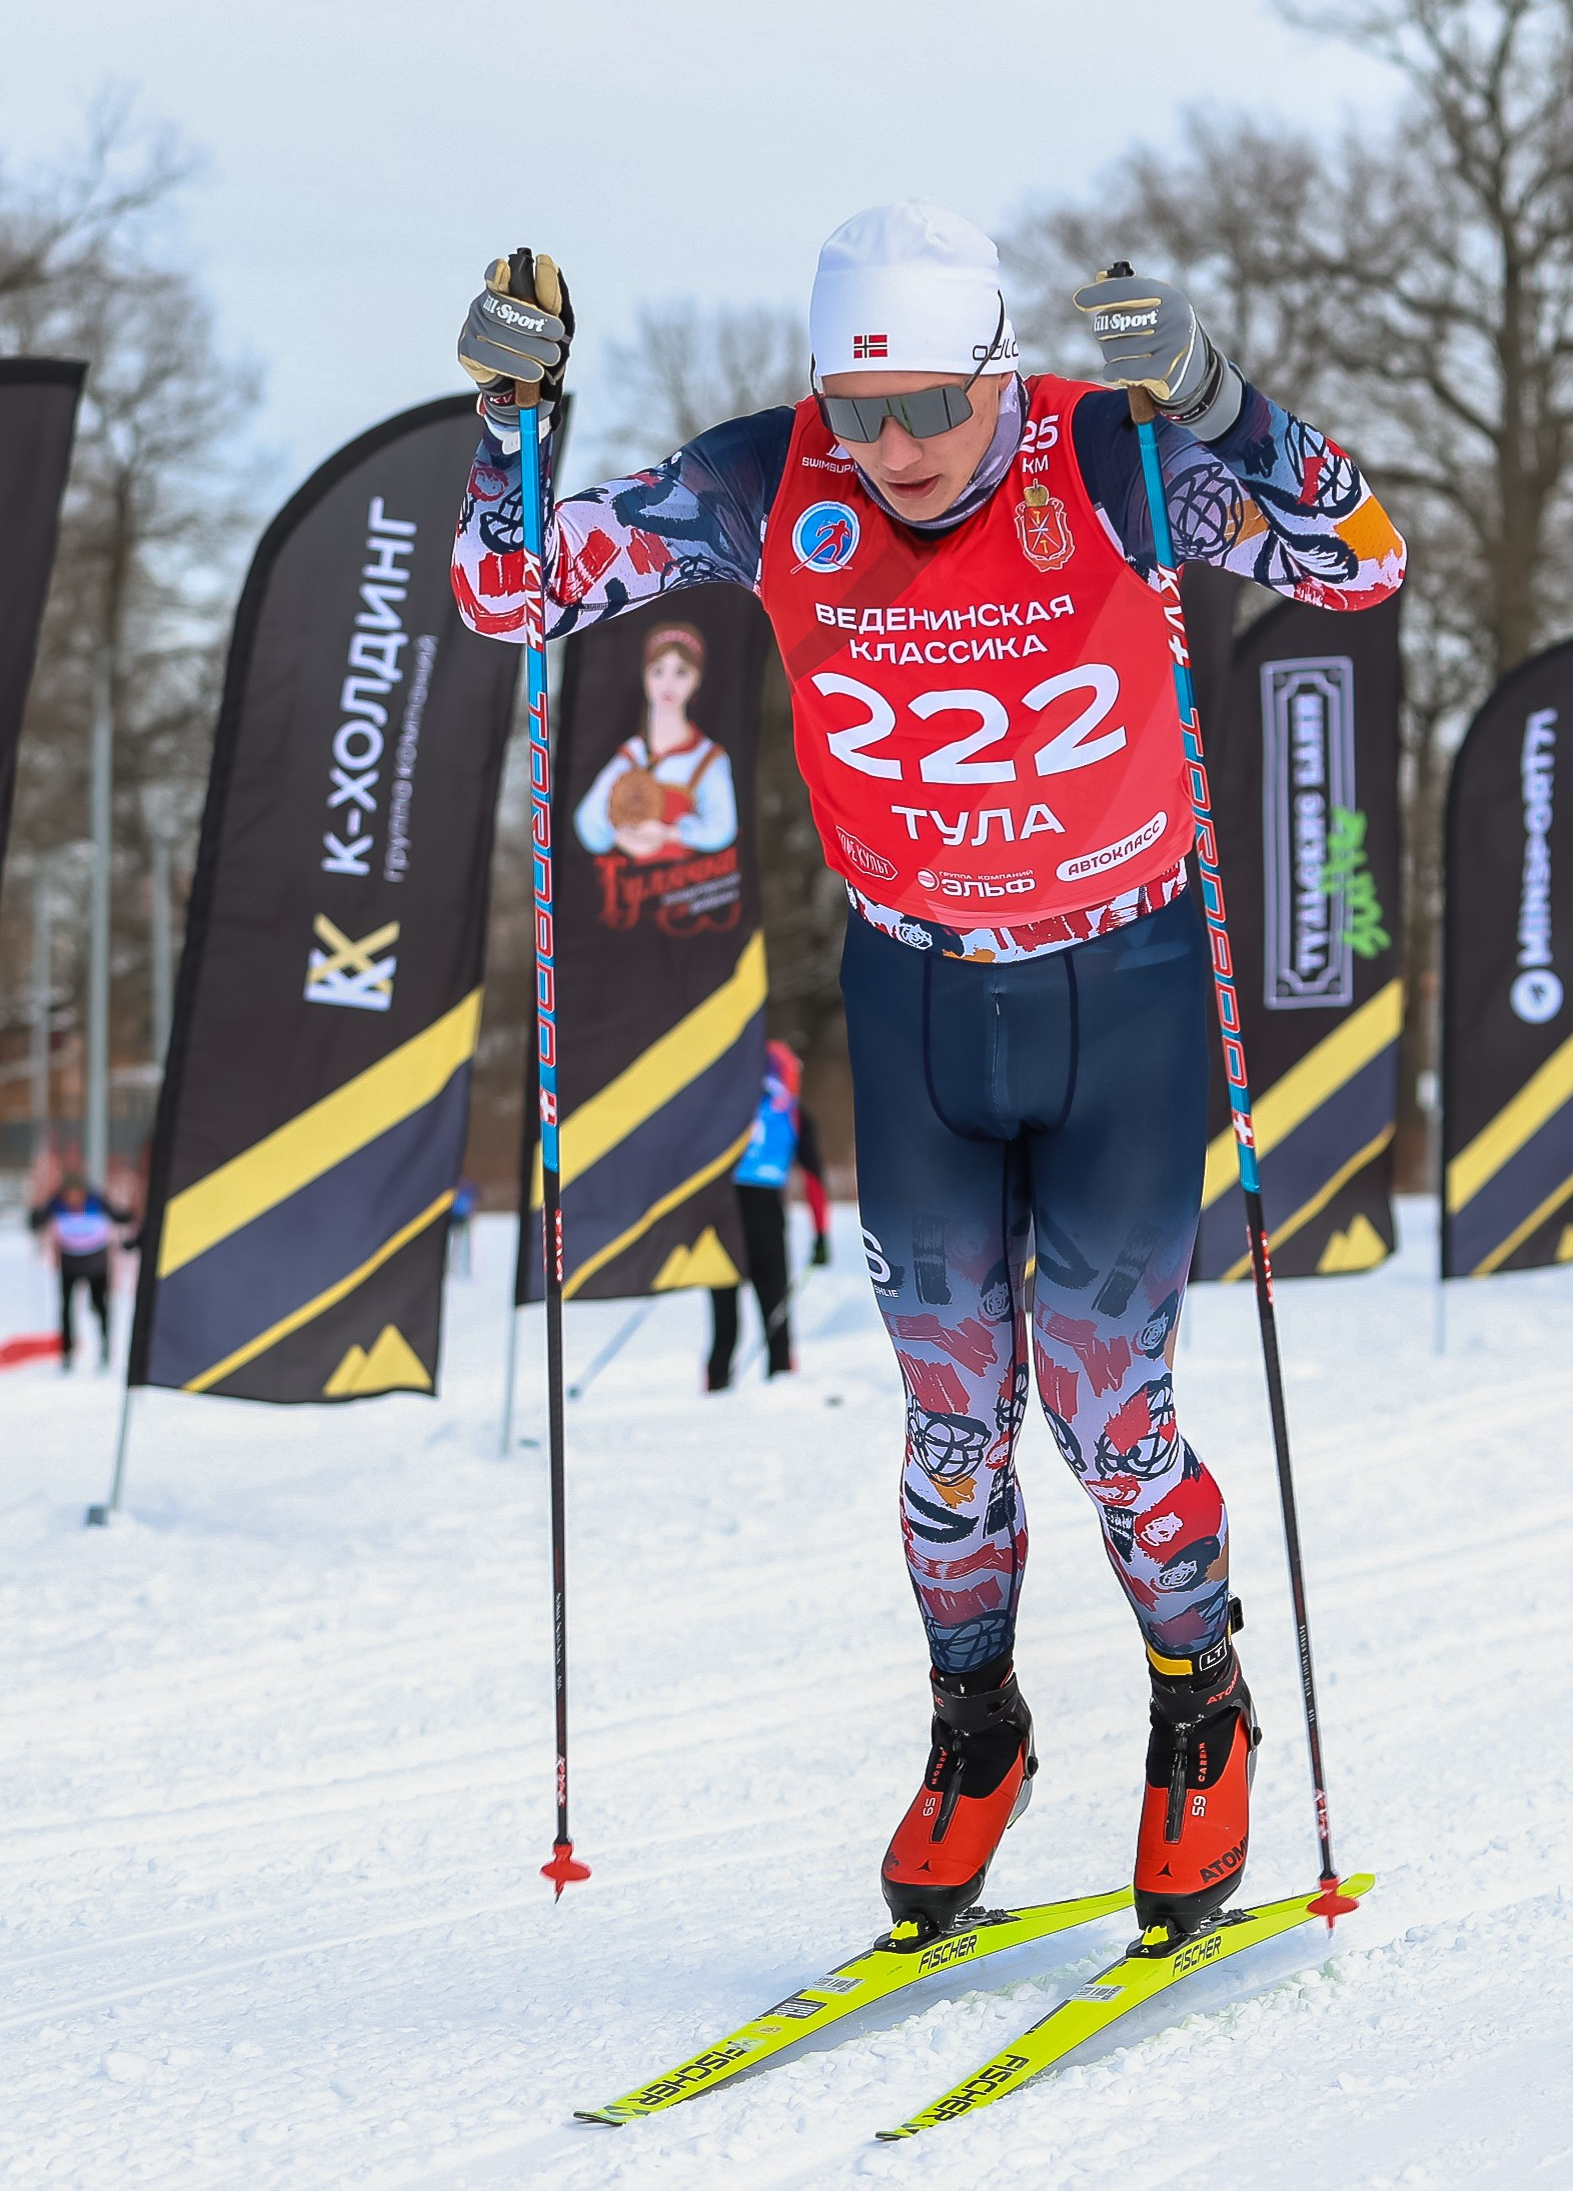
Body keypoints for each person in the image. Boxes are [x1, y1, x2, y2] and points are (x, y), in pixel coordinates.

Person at [452, 204, 1404, 1939]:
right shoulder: (770, 478)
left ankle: (1201, 1703)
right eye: (857, 407)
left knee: (1111, 1416)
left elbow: (1359, 560)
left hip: (1119, 980)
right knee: (953, 1428)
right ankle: (980, 1731)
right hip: (914, 993)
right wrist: (511, 421)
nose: (890, 450)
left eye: (929, 409)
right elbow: (509, 588)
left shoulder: (1106, 456)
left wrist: (1213, 398)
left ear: (996, 368)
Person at [706, 1042, 831, 1390]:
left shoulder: (724, 1107)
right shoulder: (792, 1111)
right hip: (767, 1218)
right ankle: (781, 1387)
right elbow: (814, 1178)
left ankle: (716, 1387)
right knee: (775, 1312)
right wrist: (821, 1234)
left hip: (724, 1216)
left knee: (724, 1320)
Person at [572, 619, 738, 866]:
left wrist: (670, 833)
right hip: (627, 889)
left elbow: (723, 829)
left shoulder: (708, 758)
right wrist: (621, 834)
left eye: (681, 672)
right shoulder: (631, 755)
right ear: (645, 676)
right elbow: (588, 825)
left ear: (697, 679)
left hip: (685, 887)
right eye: (658, 671)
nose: (667, 684)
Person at [30, 1172, 133, 1369]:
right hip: (69, 1264)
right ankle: (67, 1352)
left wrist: (130, 1214)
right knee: (66, 1308)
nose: (73, 1198)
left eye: (77, 1193)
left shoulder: (97, 1202)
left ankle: (105, 1348)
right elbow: (36, 1223)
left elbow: (121, 1218)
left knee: (99, 1305)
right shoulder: (56, 1204)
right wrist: (36, 1212)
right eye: (70, 1194)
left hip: (96, 1264)